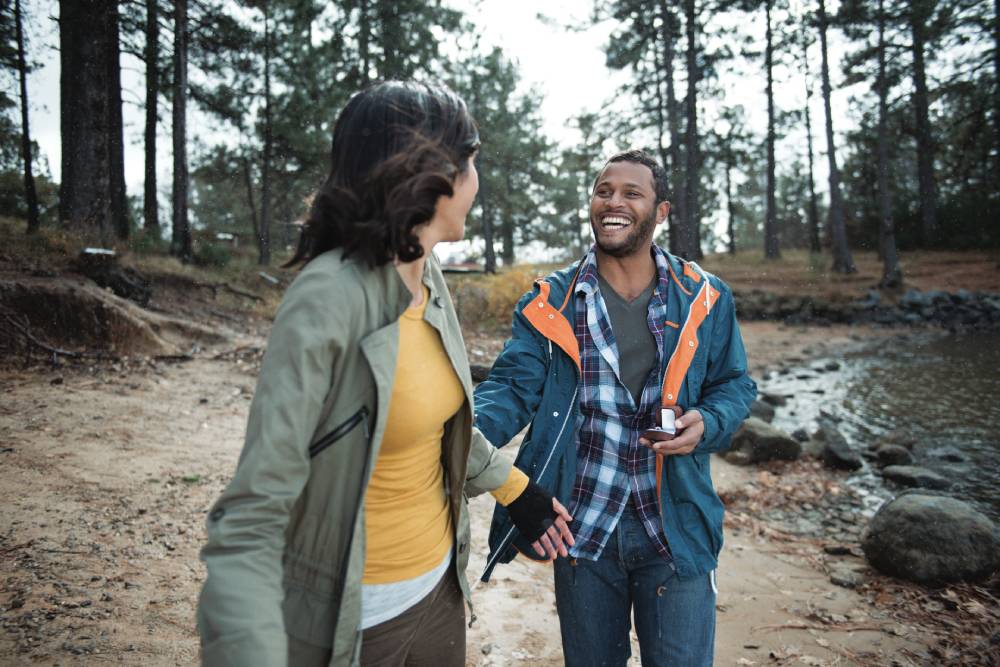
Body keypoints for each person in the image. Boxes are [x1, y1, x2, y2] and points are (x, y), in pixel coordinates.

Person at [196, 81, 573, 667]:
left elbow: (432, 423)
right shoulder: (327, 297)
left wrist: (516, 489)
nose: (477, 181)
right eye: (472, 159)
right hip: (354, 621)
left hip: (439, 594)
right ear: (431, 171)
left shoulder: (428, 278)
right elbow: (253, 511)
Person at [474, 149, 757, 666]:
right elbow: (510, 391)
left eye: (631, 193)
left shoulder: (705, 297)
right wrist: (455, 437)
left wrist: (708, 422)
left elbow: (735, 385)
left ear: (661, 211)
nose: (613, 202)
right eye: (604, 190)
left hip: (677, 530)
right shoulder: (550, 301)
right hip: (582, 531)